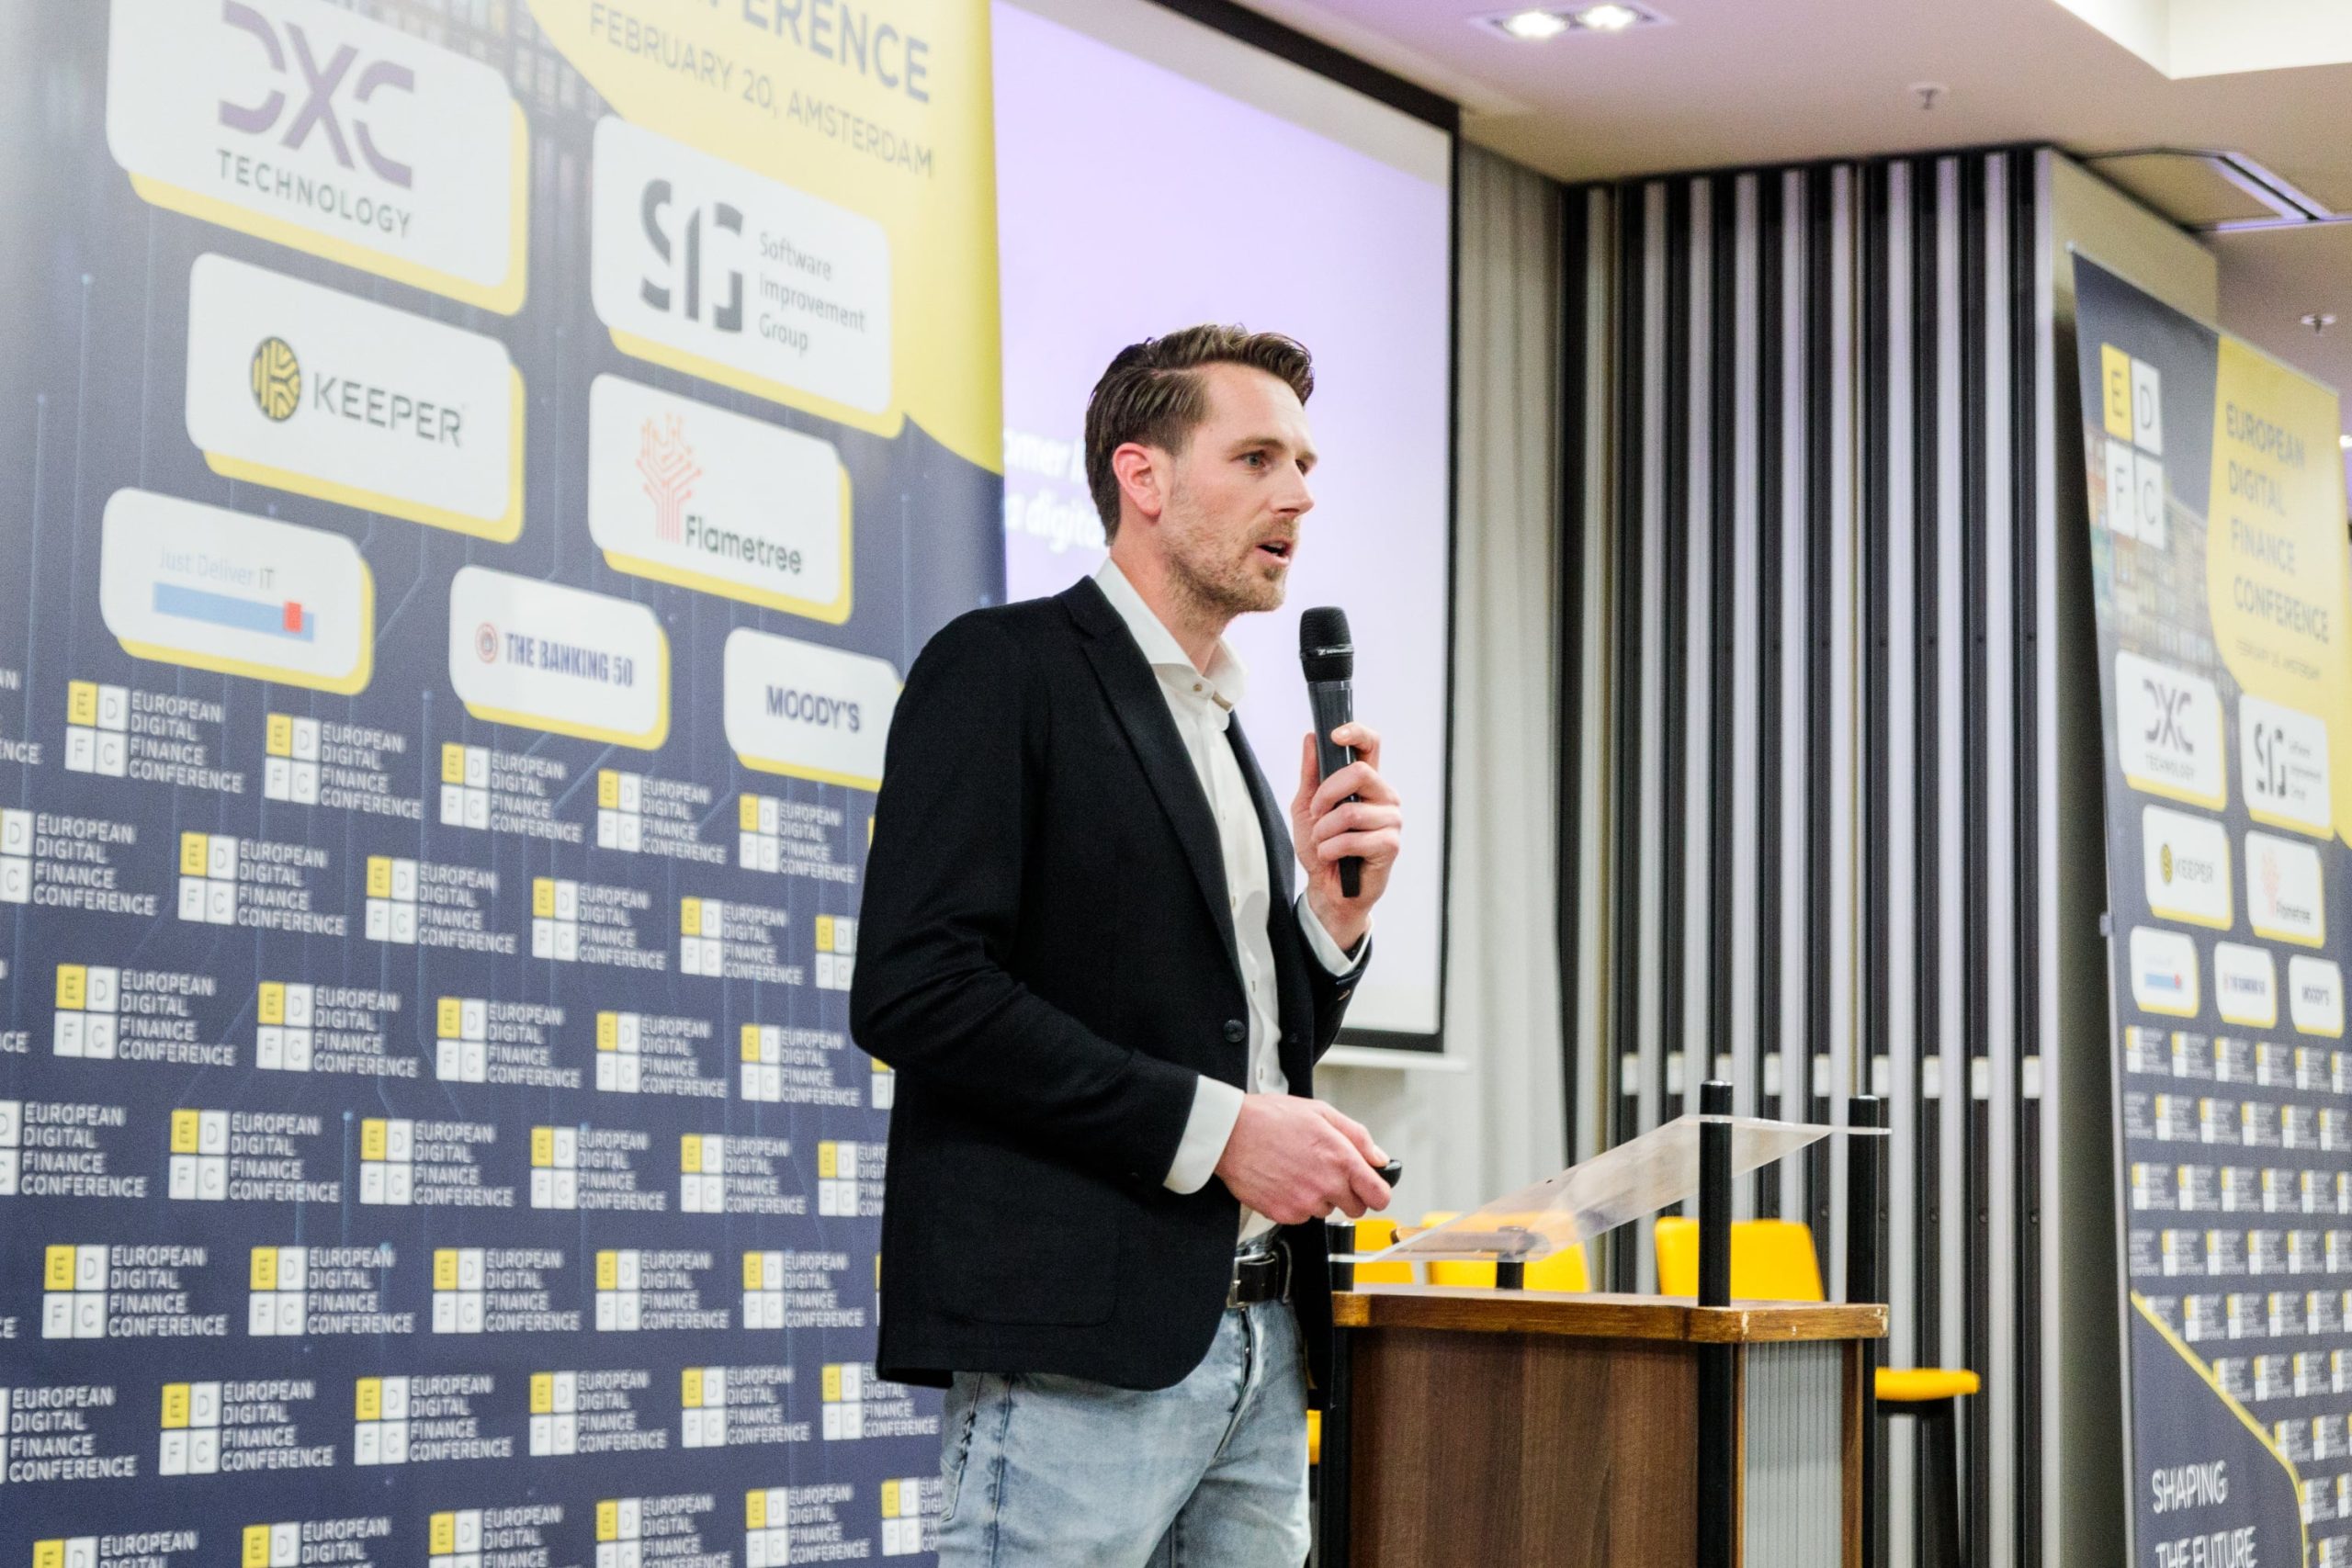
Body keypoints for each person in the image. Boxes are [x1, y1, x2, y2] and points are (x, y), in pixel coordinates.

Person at [849, 324, 1406, 1565]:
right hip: (1081, 1356)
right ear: (1142, 476)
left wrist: (1333, 921)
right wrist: (1222, 1133)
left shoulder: (1220, 726)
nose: (1299, 495)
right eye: (1257, 458)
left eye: (1305, 464)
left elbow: (1241, 1030)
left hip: (1263, 1341)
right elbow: (916, 989)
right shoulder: (1004, 669)